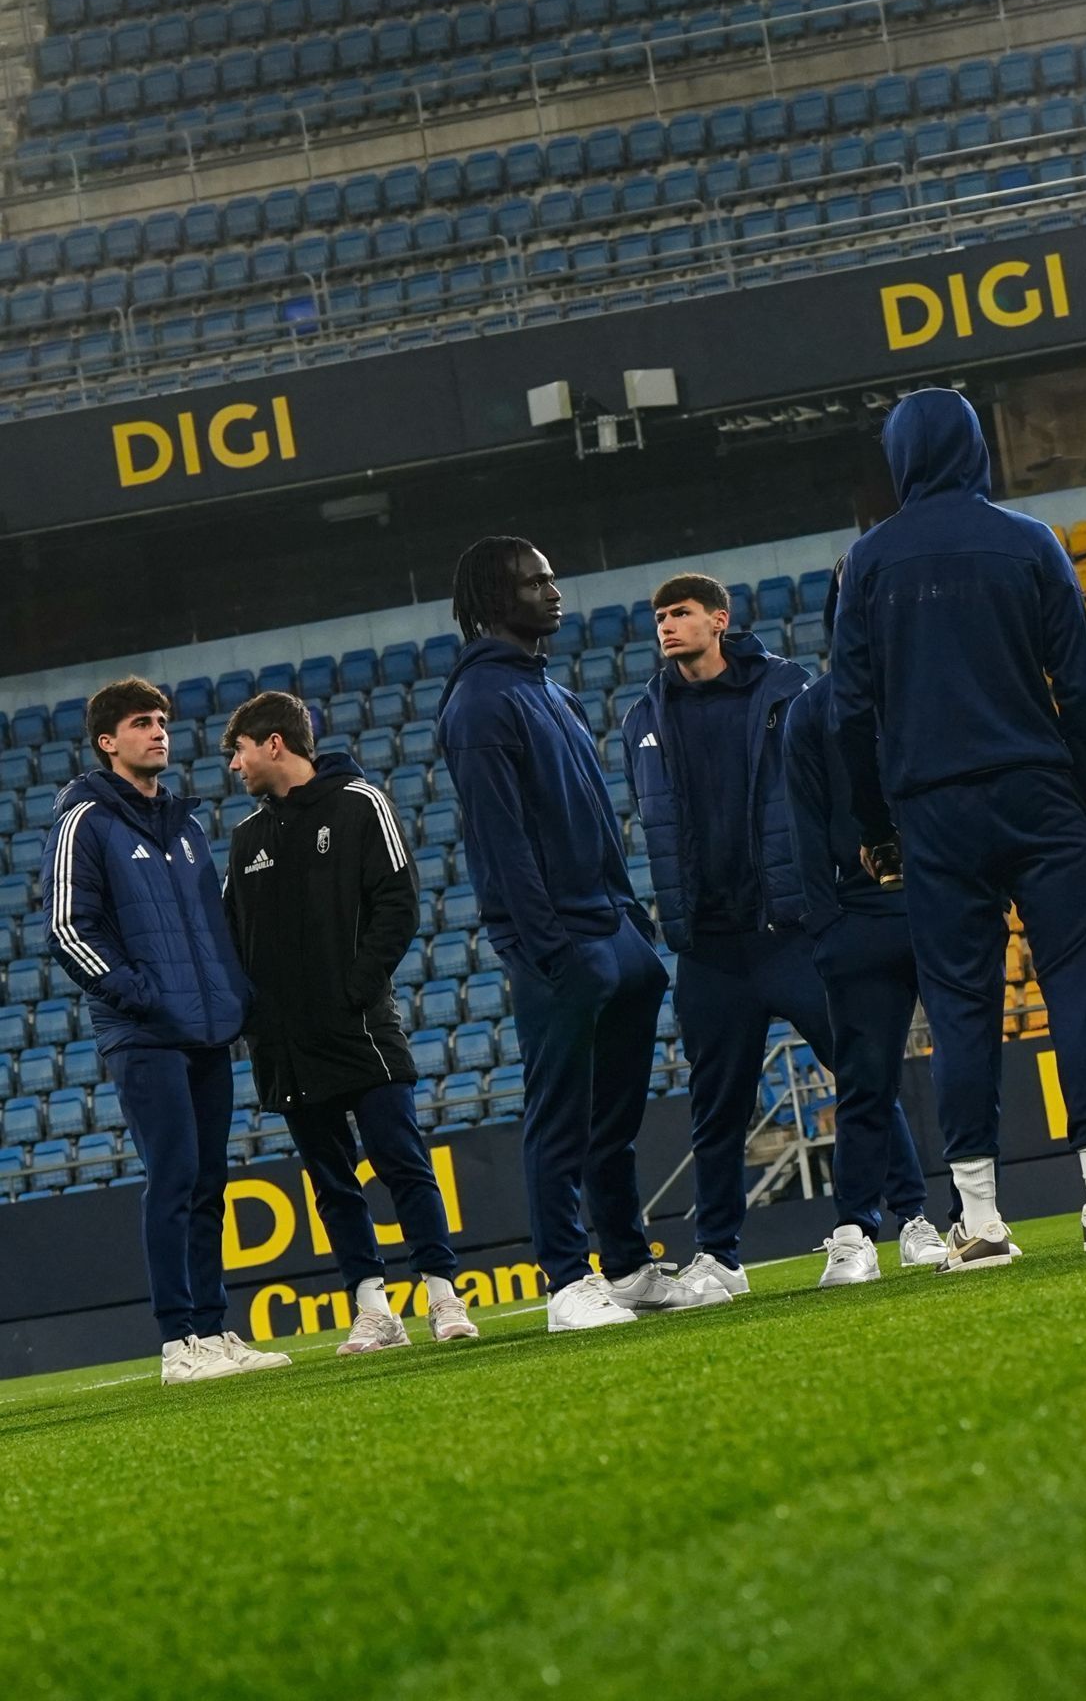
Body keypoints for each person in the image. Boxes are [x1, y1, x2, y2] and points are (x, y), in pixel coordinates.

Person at [830, 387, 1086, 1267]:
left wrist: (877, 824)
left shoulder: (868, 564)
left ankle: (981, 1221)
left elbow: (847, 711)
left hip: (931, 811)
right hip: (1039, 795)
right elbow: (1079, 682)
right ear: (977, 447)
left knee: (959, 1011)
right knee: (1075, 993)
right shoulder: (1030, 542)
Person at [438, 537, 720, 1332]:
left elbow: (589, 821)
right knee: (559, 1117)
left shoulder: (546, 692)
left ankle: (627, 1267)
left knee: (614, 1121)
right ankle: (566, 1280)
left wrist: (628, 919)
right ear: (496, 597)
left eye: (551, 577)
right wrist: (545, 946)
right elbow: (501, 841)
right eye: (536, 581)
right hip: (560, 940)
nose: (553, 592)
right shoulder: (479, 703)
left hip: (612, 928)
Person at [42, 677, 290, 1385]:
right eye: (142, 723)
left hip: (208, 1029)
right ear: (107, 741)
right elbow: (66, 928)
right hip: (146, 1032)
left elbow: (215, 924)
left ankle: (213, 1329)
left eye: (162, 722)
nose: (159, 732)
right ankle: (179, 1343)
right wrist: (142, 996)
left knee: (211, 1182)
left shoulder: (184, 826)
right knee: (175, 1177)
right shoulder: (84, 821)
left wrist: (232, 996)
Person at [222, 690, 479, 1355]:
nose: (234, 766)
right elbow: (233, 940)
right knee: (331, 1183)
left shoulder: (360, 802)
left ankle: (443, 1294)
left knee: (402, 1162)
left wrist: (354, 991)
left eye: (239, 750)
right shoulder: (246, 838)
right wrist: (256, 1019)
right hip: (285, 1045)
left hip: (359, 1028)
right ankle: (373, 1309)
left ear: (274, 743)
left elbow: (399, 901)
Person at [623, 573, 840, 1297]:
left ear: (719, 620)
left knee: (861, 1076)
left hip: (789, 929)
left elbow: (824, 787)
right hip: (709, 947)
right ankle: (718, 1257)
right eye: (659, 617)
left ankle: (895, 1218)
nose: (667, 626)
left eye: (681, 613)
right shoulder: (642, 719)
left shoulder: (787, 690)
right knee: (715, 1110)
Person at [782, 559, 947, 1287]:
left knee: (966, 1064)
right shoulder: (812, 709)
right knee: (864, 1083)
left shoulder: (935, 687)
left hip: (942, 905)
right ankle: (857, 1230)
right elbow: (806, 826)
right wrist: (827, 930)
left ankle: (971, 1214)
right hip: (861, 919)